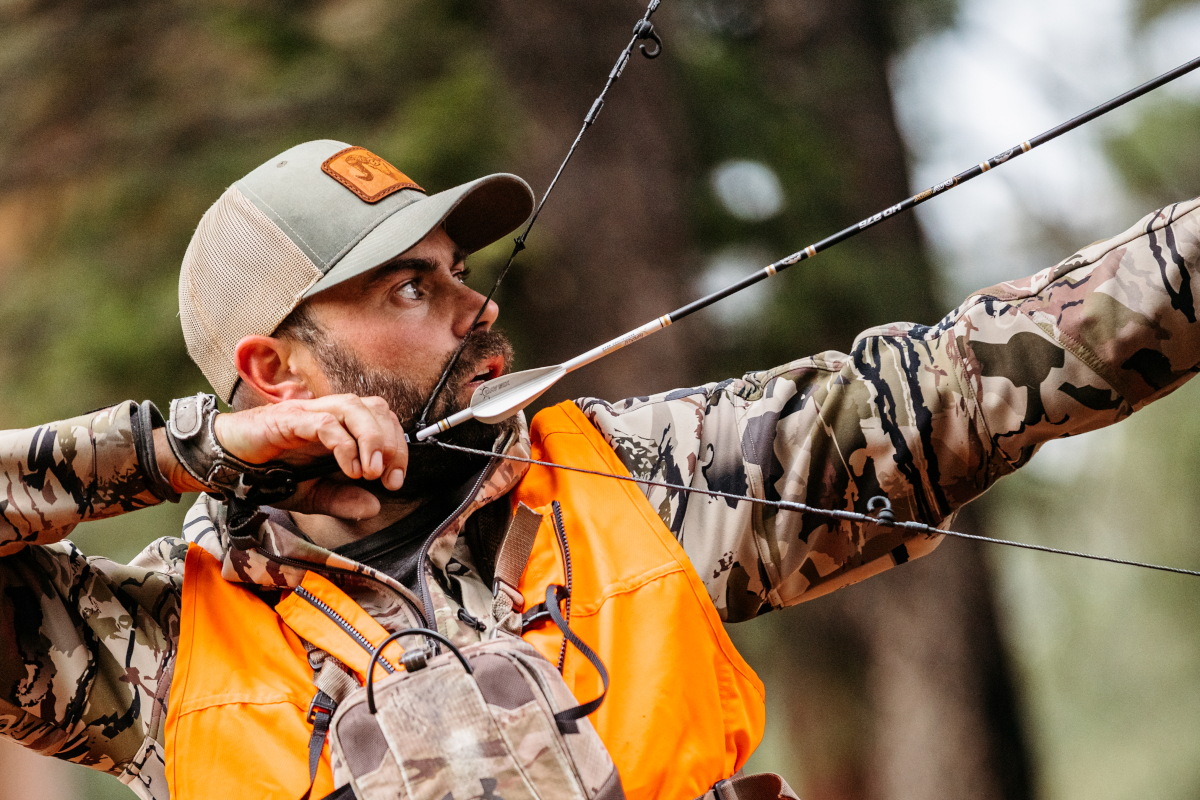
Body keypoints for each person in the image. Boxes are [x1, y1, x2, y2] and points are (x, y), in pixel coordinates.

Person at [1, 139, 1197, 800]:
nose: (479, 305)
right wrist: (173, 450)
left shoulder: (630, 476)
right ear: (276, 369)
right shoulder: (153, 642)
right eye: (414, 287)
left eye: (459, 266)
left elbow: (962, 378)